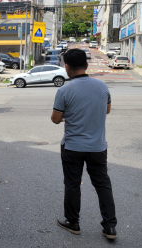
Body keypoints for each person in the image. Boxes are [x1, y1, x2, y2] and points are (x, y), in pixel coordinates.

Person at [51, 49, 117, 240]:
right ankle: (110, 227)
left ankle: (73, 223)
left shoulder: (64, 90)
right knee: (103, 185)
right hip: (97, 147)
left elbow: (56, 119)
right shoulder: (102, 86)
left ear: (67, 67)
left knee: (72, 184)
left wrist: (69, 116)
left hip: (72, 146)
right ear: (87, 66)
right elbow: (107, 110)